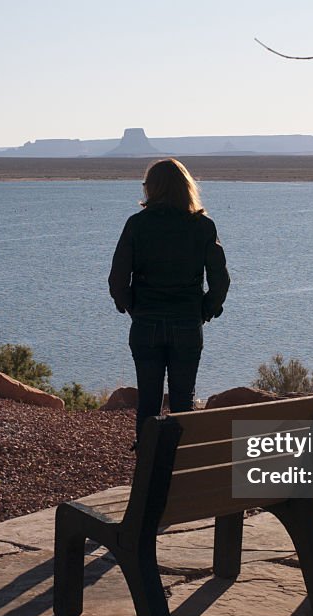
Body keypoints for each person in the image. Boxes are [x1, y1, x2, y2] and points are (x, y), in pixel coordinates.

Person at [108, 158, 230, 443]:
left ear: (151, 188)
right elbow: (220, 282)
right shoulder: (202, 226)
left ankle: (147, 473)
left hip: (146, 325)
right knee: (182, 405)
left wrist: (135, 309)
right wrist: (204, 311)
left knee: (148, 405)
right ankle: (180, 472)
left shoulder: (137, 225)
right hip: (186, 324)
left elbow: (117, 281)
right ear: (186, 187)